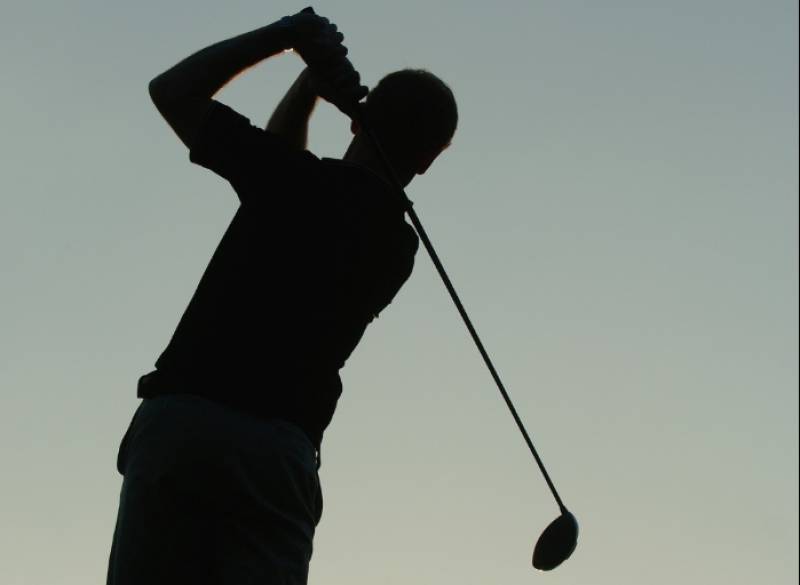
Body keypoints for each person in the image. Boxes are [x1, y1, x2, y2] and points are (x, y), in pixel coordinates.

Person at [106, 9, 457, 585]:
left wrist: (288, 39)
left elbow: (172, 90)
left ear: (357, 123)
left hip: (184, 420)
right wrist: (312, 85)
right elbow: (291, 169)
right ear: (430, 158)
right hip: (277, 453)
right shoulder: (397, 248)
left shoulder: (288, 180)